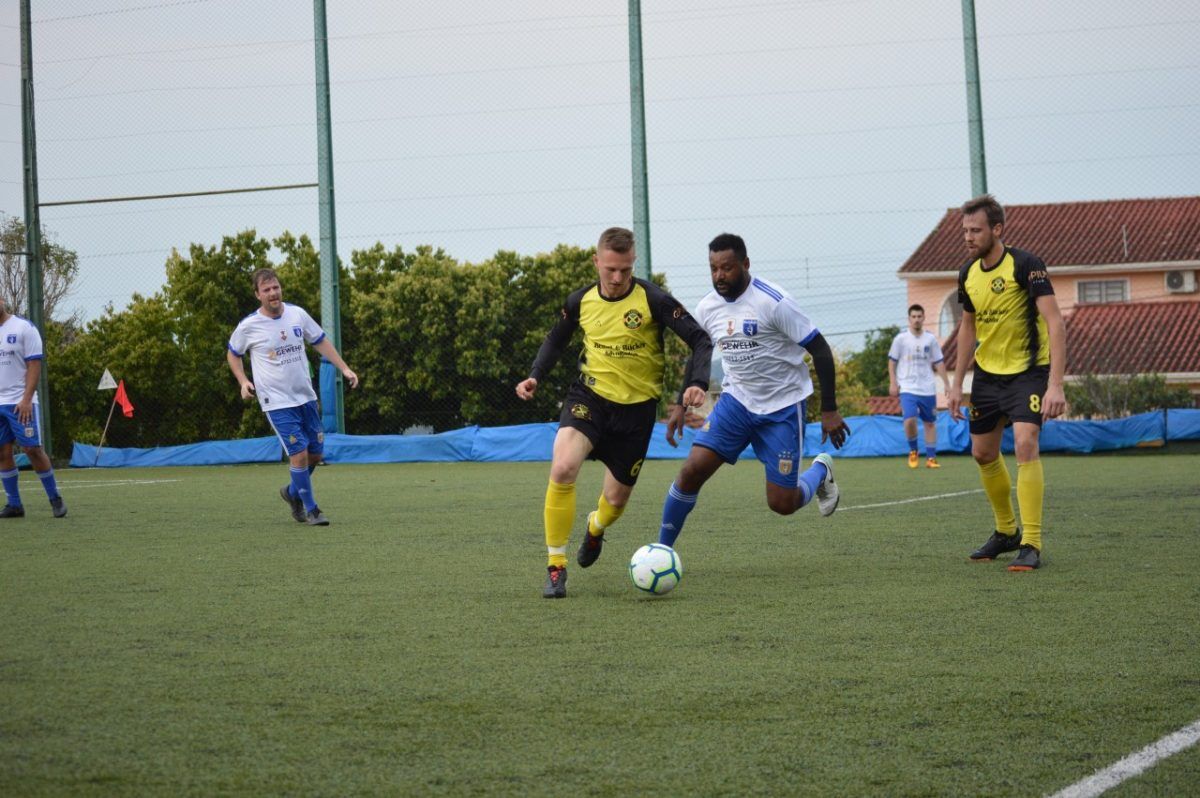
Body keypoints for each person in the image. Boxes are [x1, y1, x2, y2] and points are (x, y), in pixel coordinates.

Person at [516, 227, 713, 598]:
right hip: (589, 399)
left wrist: (697, 382)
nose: (618, 277)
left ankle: (595, 528)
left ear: (632, 263)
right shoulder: (580, 301)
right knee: (562, 468)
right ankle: (556, 566)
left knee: (615, 503)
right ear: (596, 263)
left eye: (625, 269)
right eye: (610, 269)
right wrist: (534, 376)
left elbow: (700, 338)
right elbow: (556, 338)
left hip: (636, 413)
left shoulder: (653, 299)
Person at [656, 233, 849, 553]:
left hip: (783, 406)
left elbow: (820, 349)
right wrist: (679, 403)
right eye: (714, 268)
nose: (720, 276)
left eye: (727, 268)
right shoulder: (707, 307)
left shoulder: (773, 302)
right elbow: (699, 351)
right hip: (737, 402)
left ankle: (821, 471)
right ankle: (662, 551)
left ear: (745, 264)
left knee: (782, 503)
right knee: (692, 470)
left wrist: (829, 410)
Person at [947, 194, 1066, 572]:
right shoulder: (967, 274)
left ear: (997, 230)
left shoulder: (1027, 265)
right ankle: (1006, 532)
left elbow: (1055, 322)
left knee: (1026, 444)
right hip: (988, 376)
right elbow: (967, 328)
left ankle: (1031, 542)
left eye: (976, 230)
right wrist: (955, 383)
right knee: (982, 453)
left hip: (1028, 373)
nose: (968, 237)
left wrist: (1056, 385)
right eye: (965, 230)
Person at [227, 268, 359, 526]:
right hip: (276, 402)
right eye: (266, 290)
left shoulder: (297, 314)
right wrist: (243, 381)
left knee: (316, 455)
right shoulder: (248, 326)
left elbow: (320, 340)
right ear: (257, 295)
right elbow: (233, 353)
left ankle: (291, 492)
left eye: (275, 287)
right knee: (298, 454)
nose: (273, 293)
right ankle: (312, 509)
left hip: (305, 397)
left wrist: (344, 367)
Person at [0, 297, 66, 519]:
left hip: (20, 402)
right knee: (2, 452)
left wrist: (27, 398)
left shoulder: (24, 328)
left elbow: (34, 365)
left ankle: (55, 499)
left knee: (32, 450)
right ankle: (14, 505)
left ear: (2, 301)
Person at [888, 304, 949, 468]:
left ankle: (931, 458)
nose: (916, 319)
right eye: (913, 317)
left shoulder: (930, 339)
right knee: (909, 419)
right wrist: (893, 382)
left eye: (919, 316)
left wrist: (947, 384)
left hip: (928, 388)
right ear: (909, 319)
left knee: (930, 423)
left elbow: (939, 362)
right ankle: (913, 450)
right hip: (907, 387)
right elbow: (891, 362)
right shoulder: (900, 339)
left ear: (923, 318)